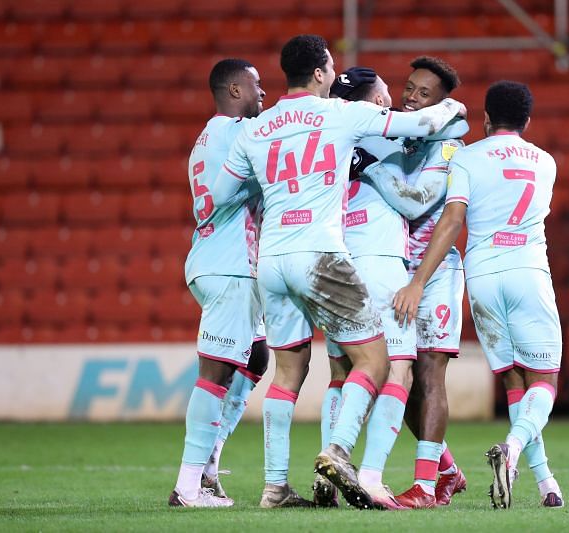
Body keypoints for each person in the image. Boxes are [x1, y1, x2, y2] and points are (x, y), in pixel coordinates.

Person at [211, 35, 466, 510]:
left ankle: (274, 487)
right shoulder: (340, 114)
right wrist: (455, 108)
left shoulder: (258, 127)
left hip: (271, 259)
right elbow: (425, 121)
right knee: (376, 361)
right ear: (322, 72)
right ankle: (340, 452)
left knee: (288, 371)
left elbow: (223, 192)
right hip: (320, 255)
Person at [393, 80, 565, 509]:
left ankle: (546, 483)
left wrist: (417, 281)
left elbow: (451, 222)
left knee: (513, 380)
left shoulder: (467, 158)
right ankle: (511, 447)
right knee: (543, 381)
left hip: (484, 276)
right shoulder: (546, 162)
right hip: (528, 271)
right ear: (526, 121)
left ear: (486, 118)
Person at [357, 56, 468, 508]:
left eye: (424, 94)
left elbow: (416, 198)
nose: (410, 98)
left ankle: (424, 487)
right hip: (400, 274)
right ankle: (447, 471)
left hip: (435, 273)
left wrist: (367, 166)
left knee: (427, 374)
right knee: (397, 381)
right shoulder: (405, 139)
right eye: (409, 89)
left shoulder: (449, 148)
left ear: (441, 104)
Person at [169, 59, 270, 508]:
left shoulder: (207, 137)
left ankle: (209, 462)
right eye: (256, 86)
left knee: (256, 358)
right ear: (234, 90)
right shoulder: (238, 134)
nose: (263, 94)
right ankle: (189, 486)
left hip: (218, 259)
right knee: (215, 374)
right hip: (228, 266)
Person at [315, 66, 417, 510]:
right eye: (387, 94)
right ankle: (371, 476)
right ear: (374, 103)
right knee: (397, 371)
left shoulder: (328, 140)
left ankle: (324, 481)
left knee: (341, 372)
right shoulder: (384, 134)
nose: (393, 99)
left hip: (338, 267)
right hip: (380, 265)